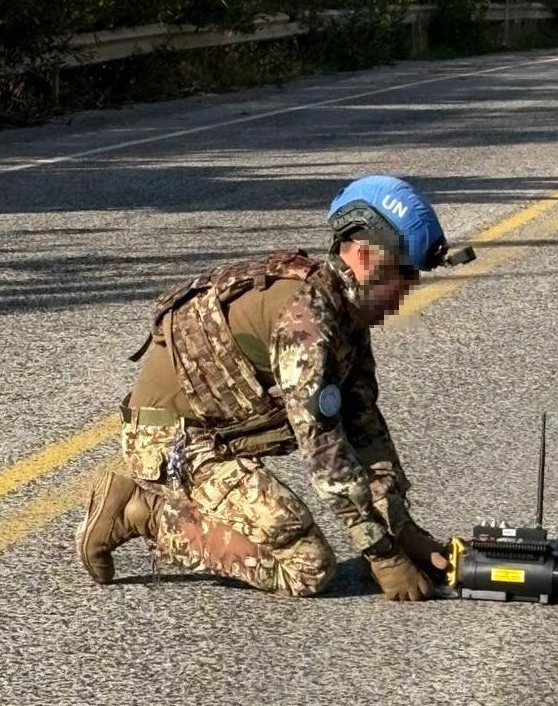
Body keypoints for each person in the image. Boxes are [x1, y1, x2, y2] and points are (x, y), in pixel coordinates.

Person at [74, 174, 471, 601]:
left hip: (223, 431)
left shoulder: (346, 313)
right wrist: (381, 555)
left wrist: (402, 531)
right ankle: (140, 510)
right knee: (308, 567)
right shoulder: (308, 322)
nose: (405, 293)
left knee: (307, 526)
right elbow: (324, 451)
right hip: (172, 440)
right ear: (362, 256)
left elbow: (364, 427)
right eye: (401, 274)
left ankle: (162, 500)